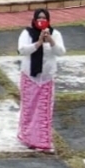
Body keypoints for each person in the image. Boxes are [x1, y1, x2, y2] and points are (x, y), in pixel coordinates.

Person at [16, 8, 65, 153]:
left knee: (44, 110)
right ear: (34, 19)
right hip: (30, 76)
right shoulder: (27, 33)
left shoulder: (55, 34)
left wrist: (51, 41)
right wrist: (38, 43)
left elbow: (61, 52)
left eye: (44, 18)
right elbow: (22, 50)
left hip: (46, 77)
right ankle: (27, 137)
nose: (41, 20)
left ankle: (42, 140)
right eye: (39, 17)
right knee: (29, 108)